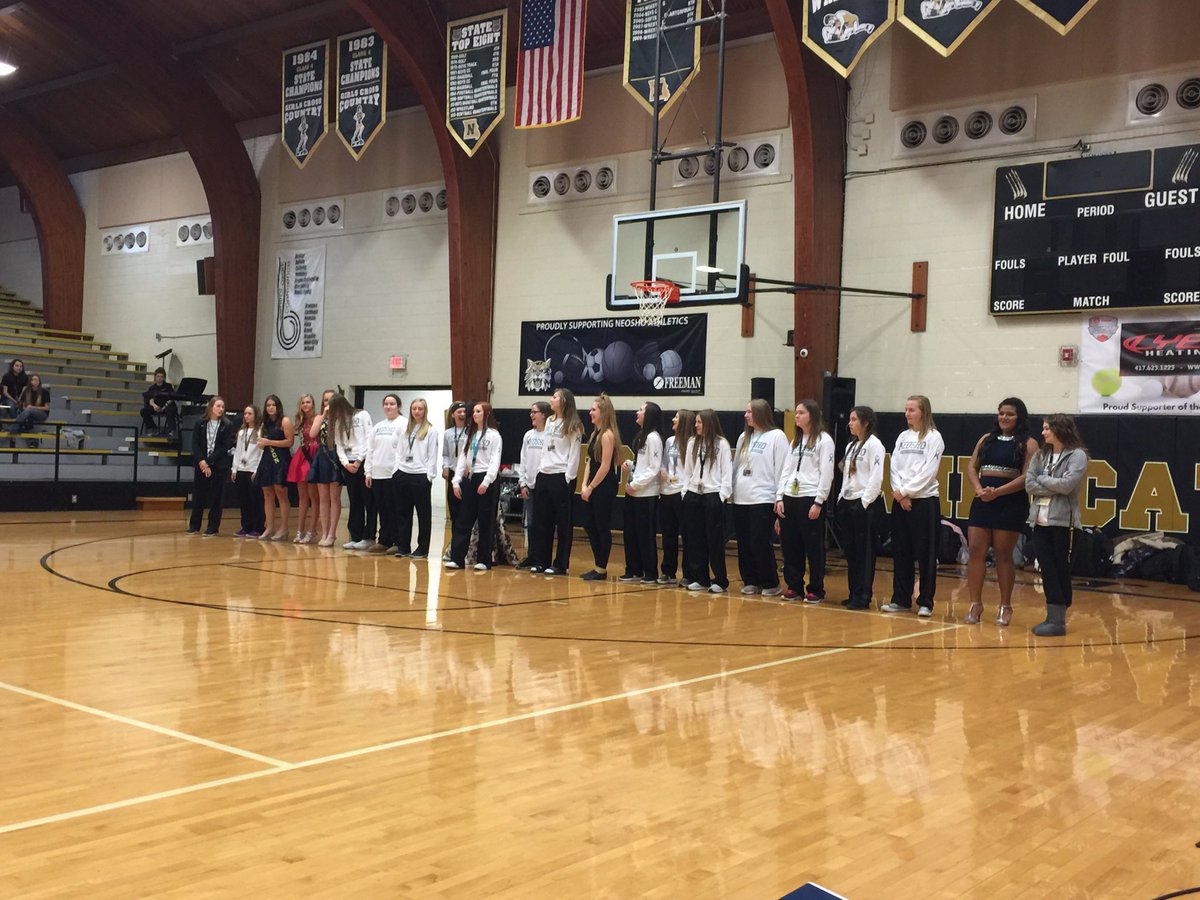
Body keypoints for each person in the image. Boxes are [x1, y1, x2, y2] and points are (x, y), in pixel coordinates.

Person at [964, 398, 1040, 626]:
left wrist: (997, 492)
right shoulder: (986, 439)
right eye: (1001, 413)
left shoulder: (1028, 443)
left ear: (1020, 417)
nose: (1004, 418)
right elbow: (971, 467)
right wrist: (979, 489)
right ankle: (975, 604)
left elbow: (1027, 477)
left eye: (1010, 414)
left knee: (1003, 554)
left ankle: (1005, 605)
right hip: (983, 500)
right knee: (975, 551)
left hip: (1010, 502)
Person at [1025, 414, 1089, 637]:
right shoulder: (1040, 455)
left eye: (1046, 428)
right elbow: (1029, 484)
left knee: (1060, 569)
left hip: (1064, 524)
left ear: (1060, 430)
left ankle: (1058, 620)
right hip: (1039, 522)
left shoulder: (1077, 455)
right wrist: (1052, 484)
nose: (1042, 433)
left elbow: (1067, 485)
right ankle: (1053, 617)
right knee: (1047, 570)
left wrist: (1042, 479)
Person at [881, 395, 944, 617]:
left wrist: (907, 491)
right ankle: (901, 599)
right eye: (906, 409)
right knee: (901, 551)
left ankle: (925, 601)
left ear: (923, 412)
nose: (907, 413)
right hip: (901, 500)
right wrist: (900, 495)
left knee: (926, 553)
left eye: (912, 410)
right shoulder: (902, 436)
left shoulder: (934, 437)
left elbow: (929, 472)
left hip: (924, 500)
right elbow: (894, 467)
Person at [775, 400, 835, 602]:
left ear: (812, 415)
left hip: (810, 498)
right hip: (790, 497)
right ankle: (794, 586)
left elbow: (827, 473)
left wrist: (819, 501)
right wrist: (779, 496)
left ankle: (816, 589)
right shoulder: (796, 440)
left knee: (813, 546)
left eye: (801, 412)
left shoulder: (824, 440)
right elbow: (786, 470)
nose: (797, 416)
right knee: (790, 545)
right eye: (796, 412)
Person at [732, 398, 790, 597]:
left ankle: (770, 582)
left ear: (760, 413)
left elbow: (782, 469)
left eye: (749, 411)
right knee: (744, 542)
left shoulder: (777, 436)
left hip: (763, 497)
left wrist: (779, 496)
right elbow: (736, 466)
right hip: (741, 497)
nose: (745, 415)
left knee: (759, 541)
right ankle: (750, 580)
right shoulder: (743, 437)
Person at [836, 406, 886, 610]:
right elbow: (847, 475)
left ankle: (863, 595)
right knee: (851, 551)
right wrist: (841, 497)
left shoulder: (875, 445)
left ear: (866, 423)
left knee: (864, 552)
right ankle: (853, 592)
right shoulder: (851, 445)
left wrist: (864, 502)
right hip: (848, 500)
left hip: (865, 503)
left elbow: (876, 476)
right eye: (849, 419)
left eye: (854, 419)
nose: (850, 423)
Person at [531, 388, 584, 576]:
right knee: (542, 521)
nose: (551, 399)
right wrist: (540, 469)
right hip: (544, 474)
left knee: (563, 523)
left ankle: (561, 564)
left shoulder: (574, 425)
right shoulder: (550, 421)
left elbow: (574, 454)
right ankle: (541, 561)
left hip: (561, 475)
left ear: (564, 401)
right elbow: (546, 448)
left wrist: (568, 478)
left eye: (555, 397)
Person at [681, 408, 732, 594]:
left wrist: (722, 495)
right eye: (696, 422)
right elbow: (688, 469)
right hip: (694, 493)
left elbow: (726, 472)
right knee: (695, 539)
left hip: (713, 494)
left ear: (709, 423)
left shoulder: (721, 444)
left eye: (699, 422)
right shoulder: (692, 442)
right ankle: (700, 578)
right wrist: (685, 491)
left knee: (714, 540)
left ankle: (720, 579)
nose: (696, 425)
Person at [447, 402, 502, 570]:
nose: (474, 414)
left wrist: (486, 481)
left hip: (486, 479)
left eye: (478, 411)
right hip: (470, 478)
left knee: (486, 521)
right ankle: (457, 558)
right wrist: (456, 481)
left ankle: (484, 560)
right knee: (463, 519)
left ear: (487, 414)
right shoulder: (470, 434)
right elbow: (463, 459)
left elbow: (495, 460)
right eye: (474, 412)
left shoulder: (494, 435)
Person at [617, 401, 664, 585]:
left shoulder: (653, 438)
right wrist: (630, 465)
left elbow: (654, 468)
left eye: (641, 410)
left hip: (646, 494)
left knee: (645, 535)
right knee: (630, 533)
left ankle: (650, 572)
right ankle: (633, 569)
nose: (637, 412)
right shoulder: (641, 436)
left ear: (649, 415)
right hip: (634, 492)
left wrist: (636, 484)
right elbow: (642, 463)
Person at [580, 394, 621, 581]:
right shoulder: (595, 434)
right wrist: (584, 484)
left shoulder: (607, 435)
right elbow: (590, 461)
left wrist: (591, 487)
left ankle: (601, 568)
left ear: (603, 413)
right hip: (594, 485)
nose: (590, 413)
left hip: (605, 486)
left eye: (593, 410)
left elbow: (605, 467)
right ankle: (598, 565)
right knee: (589, 524)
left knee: (601, 526)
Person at [394, 398, 441, 558]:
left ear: (425, 410)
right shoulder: (404, 429)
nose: (417, 411)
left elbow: (432, 455)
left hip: (420, 475)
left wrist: (429, 476)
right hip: (403, 473)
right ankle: (403, 546)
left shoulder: (431, 430)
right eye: (414, 408)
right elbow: (399, 451)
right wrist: (396, 471)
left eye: (420, 409)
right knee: (403, 513)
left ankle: (422, 548)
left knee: (423, 514)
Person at [329, 395, 374, 550]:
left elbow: (369, 439)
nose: (335, 414)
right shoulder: (339, 423)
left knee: (368, 500)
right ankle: (356, 536)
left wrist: (359, 461)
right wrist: (346, 464)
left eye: (336, 410)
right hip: (348, 465)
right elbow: (339, 445)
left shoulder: (362, 415)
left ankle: (368, 536)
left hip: (363, 462)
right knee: (354, 500)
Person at [364, 394, 406, 553]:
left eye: (392, 404)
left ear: (398, 406)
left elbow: (403, 450)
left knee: (394, 509)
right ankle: (384, 540)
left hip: (393, 474)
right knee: (382, 509)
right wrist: (368, 472)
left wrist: (398, 471)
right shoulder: (378, 426)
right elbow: (370, 449)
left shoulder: (403, 424)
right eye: (386, 404)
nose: (388, 407)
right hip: (377, 473)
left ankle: (398, 541)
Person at [187, 396, 235, 535]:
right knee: (199, 495)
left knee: (217, 497)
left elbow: (225, 446)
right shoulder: (200, 423)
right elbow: (195, 444)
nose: (221, 409)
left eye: (223, 407)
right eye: (218, 406)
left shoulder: (227, 425)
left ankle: (213, 527)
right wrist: (202, 461)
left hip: (219, 465)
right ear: (211, 407)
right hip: (201, 465)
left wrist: (208, 461)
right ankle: (194, 525)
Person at [658, 408, 693, 586]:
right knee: (668, 534)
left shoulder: (692, 442)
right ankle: (668, 571)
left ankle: (688, 573)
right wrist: (662, 472)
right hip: (667, 491)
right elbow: (664, 463)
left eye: (677, 417)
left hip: (682, 492)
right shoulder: (669, 441)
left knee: (687, 535)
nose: (673, 419)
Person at [515, 401, 551, 569]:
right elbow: (523, 459)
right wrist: (522, 483)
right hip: (529, 485)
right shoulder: (528, 435)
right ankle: (531, 556)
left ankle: (541, 558)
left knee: (542, 523)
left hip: (543, 485)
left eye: (534, 412)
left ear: (543, 414)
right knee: (530, 523)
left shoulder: (549, 436)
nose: (531, 415)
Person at [255, 394, 294, 540]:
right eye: (268, 405)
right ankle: (269, 527)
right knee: (267, 493)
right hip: (267, 459)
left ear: (278, 406)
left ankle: (283, 528)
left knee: (281, 492)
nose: (271, 408)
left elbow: (289, 442)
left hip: (281, 459)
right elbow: (261, 442)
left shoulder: (285, 421)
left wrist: (269, 442)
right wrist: (262, 443)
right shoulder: (264, 424)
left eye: (273, 405)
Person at [306, 389, 342, 547]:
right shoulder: (319, 417)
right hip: (322, 456)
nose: (328, 403)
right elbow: (312, 434)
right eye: (326, 400)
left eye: (331, 399)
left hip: (335, 454)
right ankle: (325, 532)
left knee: (334, 497)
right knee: (323, 498)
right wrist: (324, 415)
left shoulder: (341, 418)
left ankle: (332, 533)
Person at [287, 394, 319, 544]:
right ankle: (300, 529)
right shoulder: (299, 420)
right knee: (302, 496)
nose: (305, 405)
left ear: (313, 404)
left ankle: (312, 530)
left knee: (314, 496)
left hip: (314, 455)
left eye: (308, 402)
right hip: (302, 455)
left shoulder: (317, 418)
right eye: (303, 403)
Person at [231, 404, 265, 537]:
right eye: (245, 414)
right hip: (241, 469)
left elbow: (261, 453)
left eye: (250, 414)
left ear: (256, 415)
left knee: (255, 500)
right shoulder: (241, 432)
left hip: (253, 469)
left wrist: (257, 469)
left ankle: (258, 527)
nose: (247, 416)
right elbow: (238, 452)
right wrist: (234, 469)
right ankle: (246, 526)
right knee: (244, 500)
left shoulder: (260, 431)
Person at [441, 401, 469, 547]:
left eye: (464, 411)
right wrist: (445, 467)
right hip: (452, 472)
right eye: (459, 412)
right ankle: (454, 544)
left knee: (466, 510)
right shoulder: (448, 433)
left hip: (465, 473)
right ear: (453, 415)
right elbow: (445, 453)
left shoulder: (470, 431)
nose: (462, 414)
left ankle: (466, 544)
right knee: (454, 510)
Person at [140, 366, 178, 436]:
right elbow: (150, 399)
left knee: (171, 409)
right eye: (158, 376)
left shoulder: (168, 386)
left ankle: (172, 430)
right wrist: (154, 406)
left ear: (164, 378)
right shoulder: (152, 388)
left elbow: (172, 398)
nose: (159, 378)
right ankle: (153, 428)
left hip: (166, 406)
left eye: (161, 377)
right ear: (155, 377)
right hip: (156, 407)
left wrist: (164, 407)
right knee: (143, 411)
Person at [1, 358, 28, 425]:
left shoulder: (25, 377)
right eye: (17, 366)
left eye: (21, 366)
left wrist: (19, 399)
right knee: (12, 407)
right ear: (12, 366)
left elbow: (24, 390)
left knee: (26, 407)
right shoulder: (6, 376)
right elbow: (5, 392)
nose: (19, 368)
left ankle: (24, 423)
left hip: (20, 398)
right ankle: (16, 424)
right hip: (8, 398)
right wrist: (14, 401)